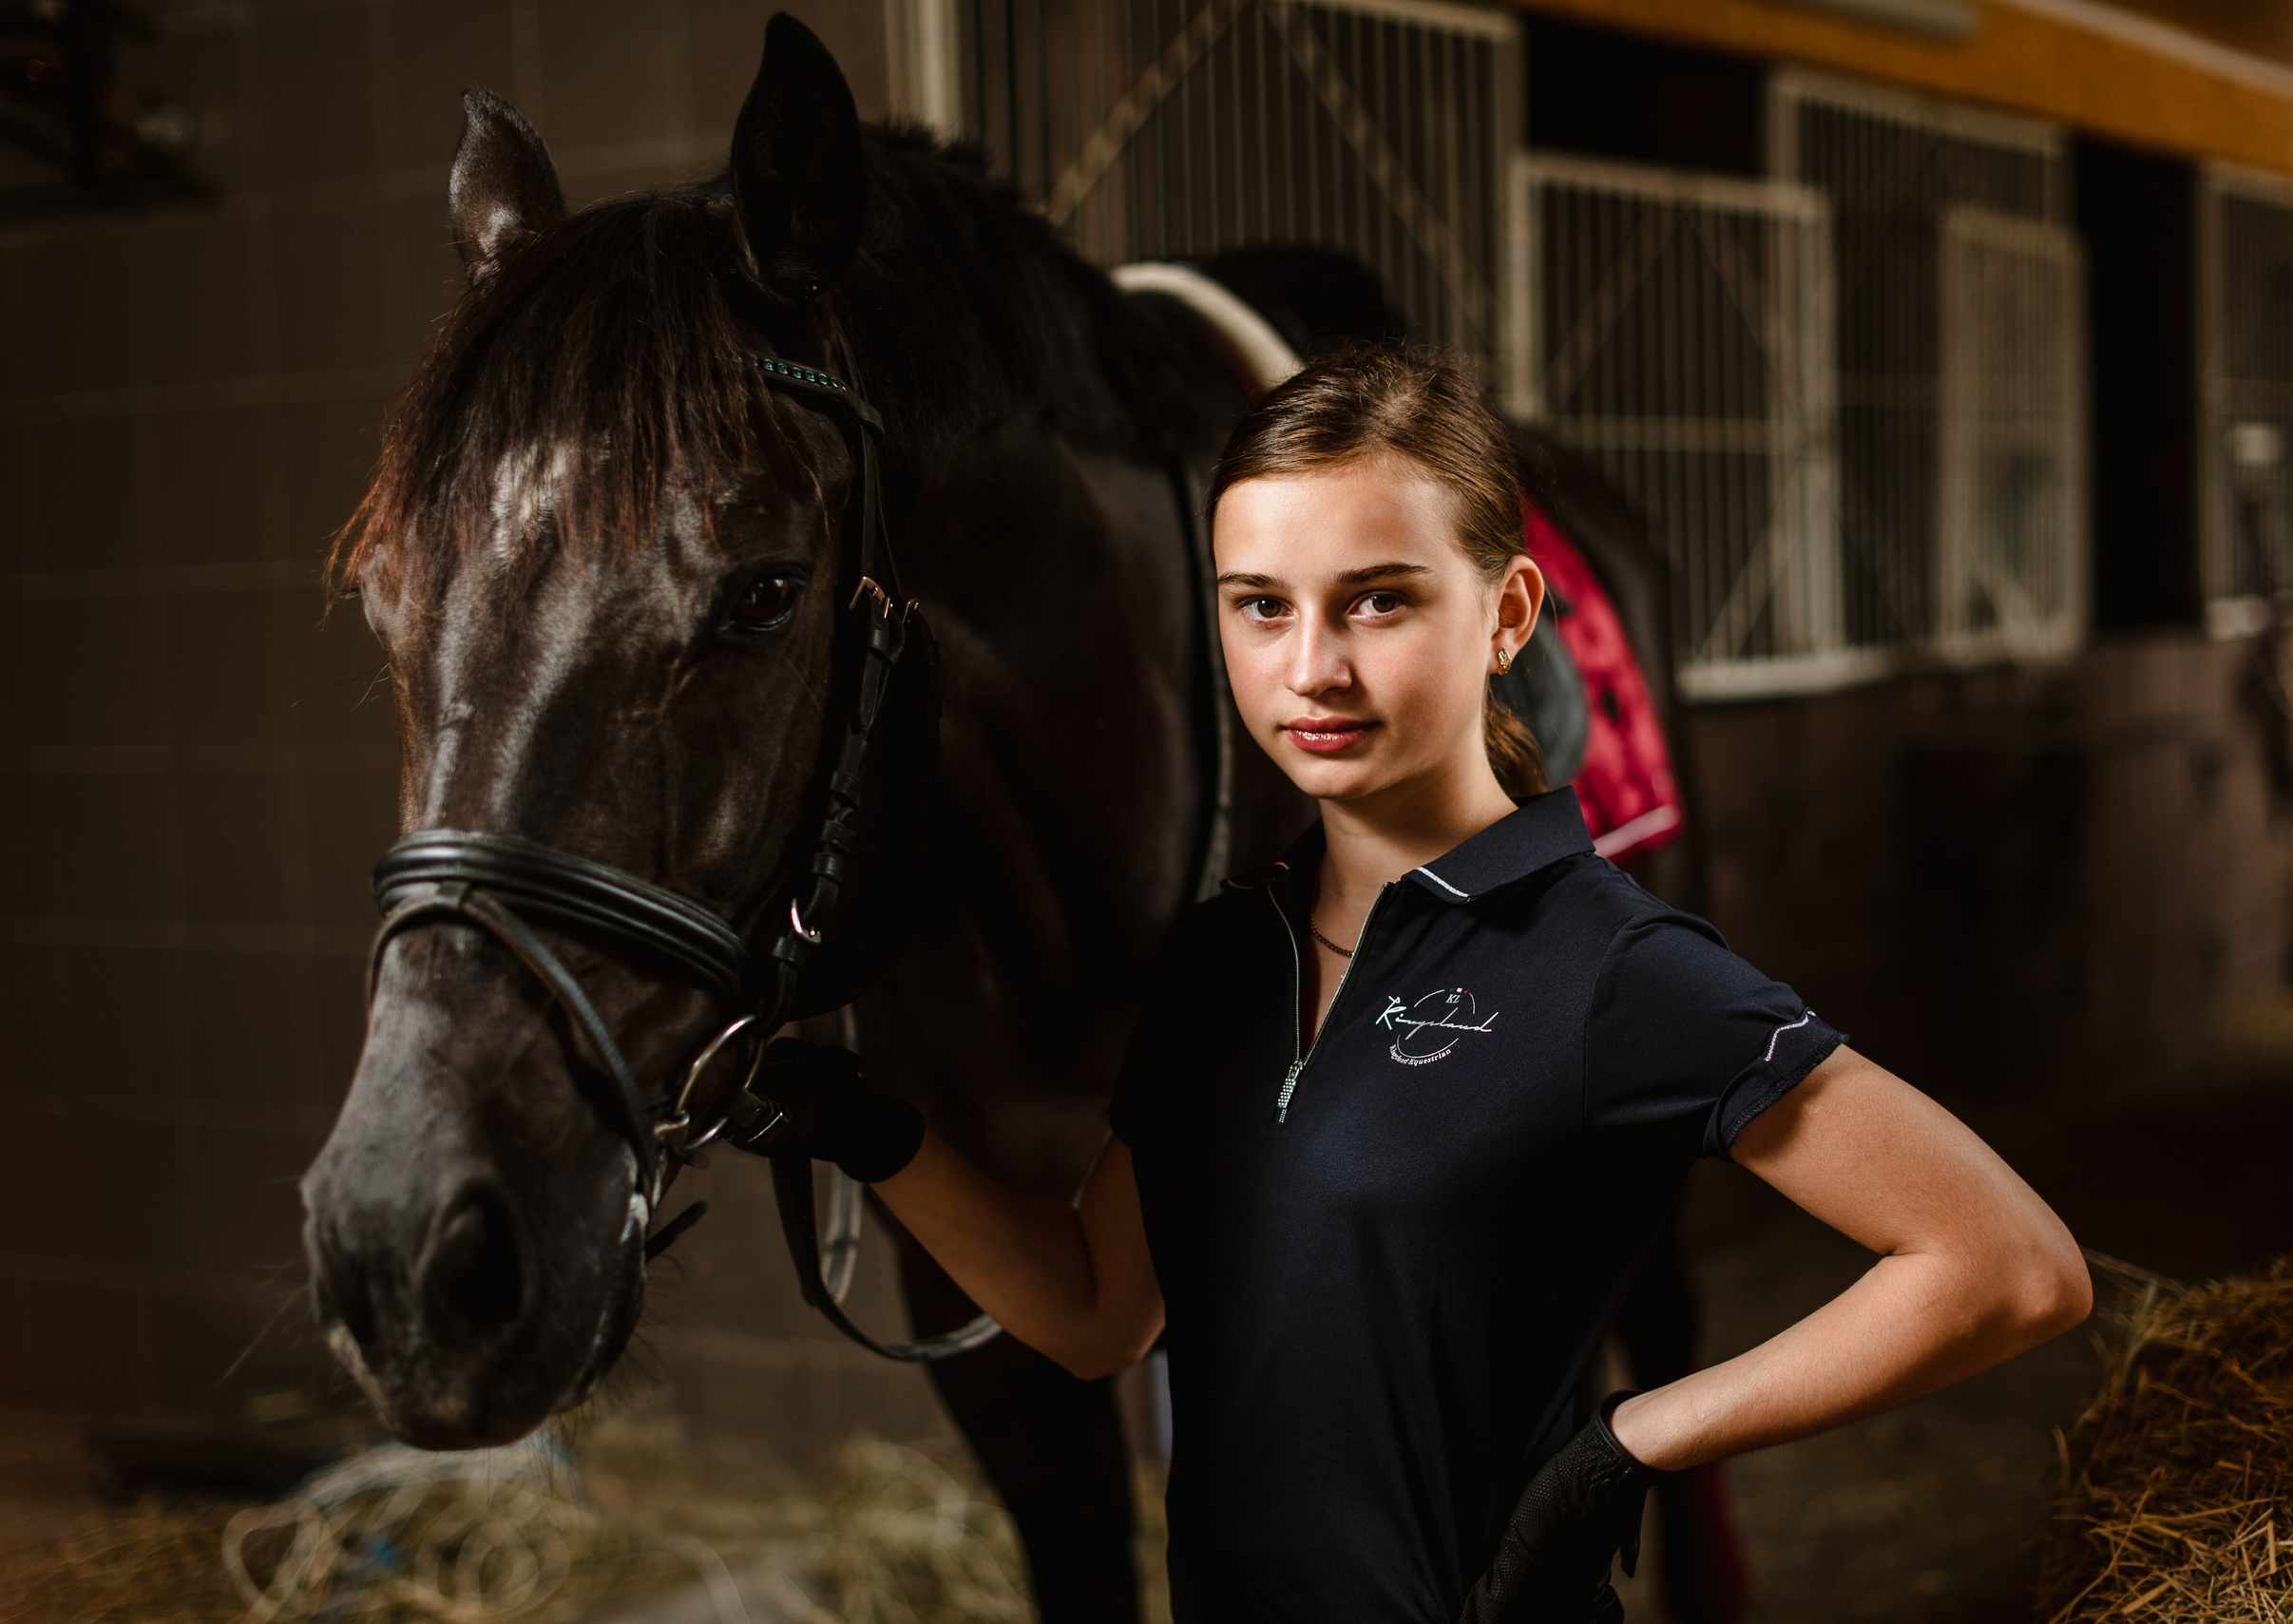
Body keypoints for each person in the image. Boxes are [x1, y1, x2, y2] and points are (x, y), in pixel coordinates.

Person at [745, 347, 2092, 1623]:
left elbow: (2009, 1264)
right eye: (1261, 606)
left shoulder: (1608, 964)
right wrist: (869, 1131)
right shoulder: (1221, 962)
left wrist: (1628, 1445)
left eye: (1378, 599)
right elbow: (1101, 1313)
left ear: (1506, 612)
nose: (1311, 667)